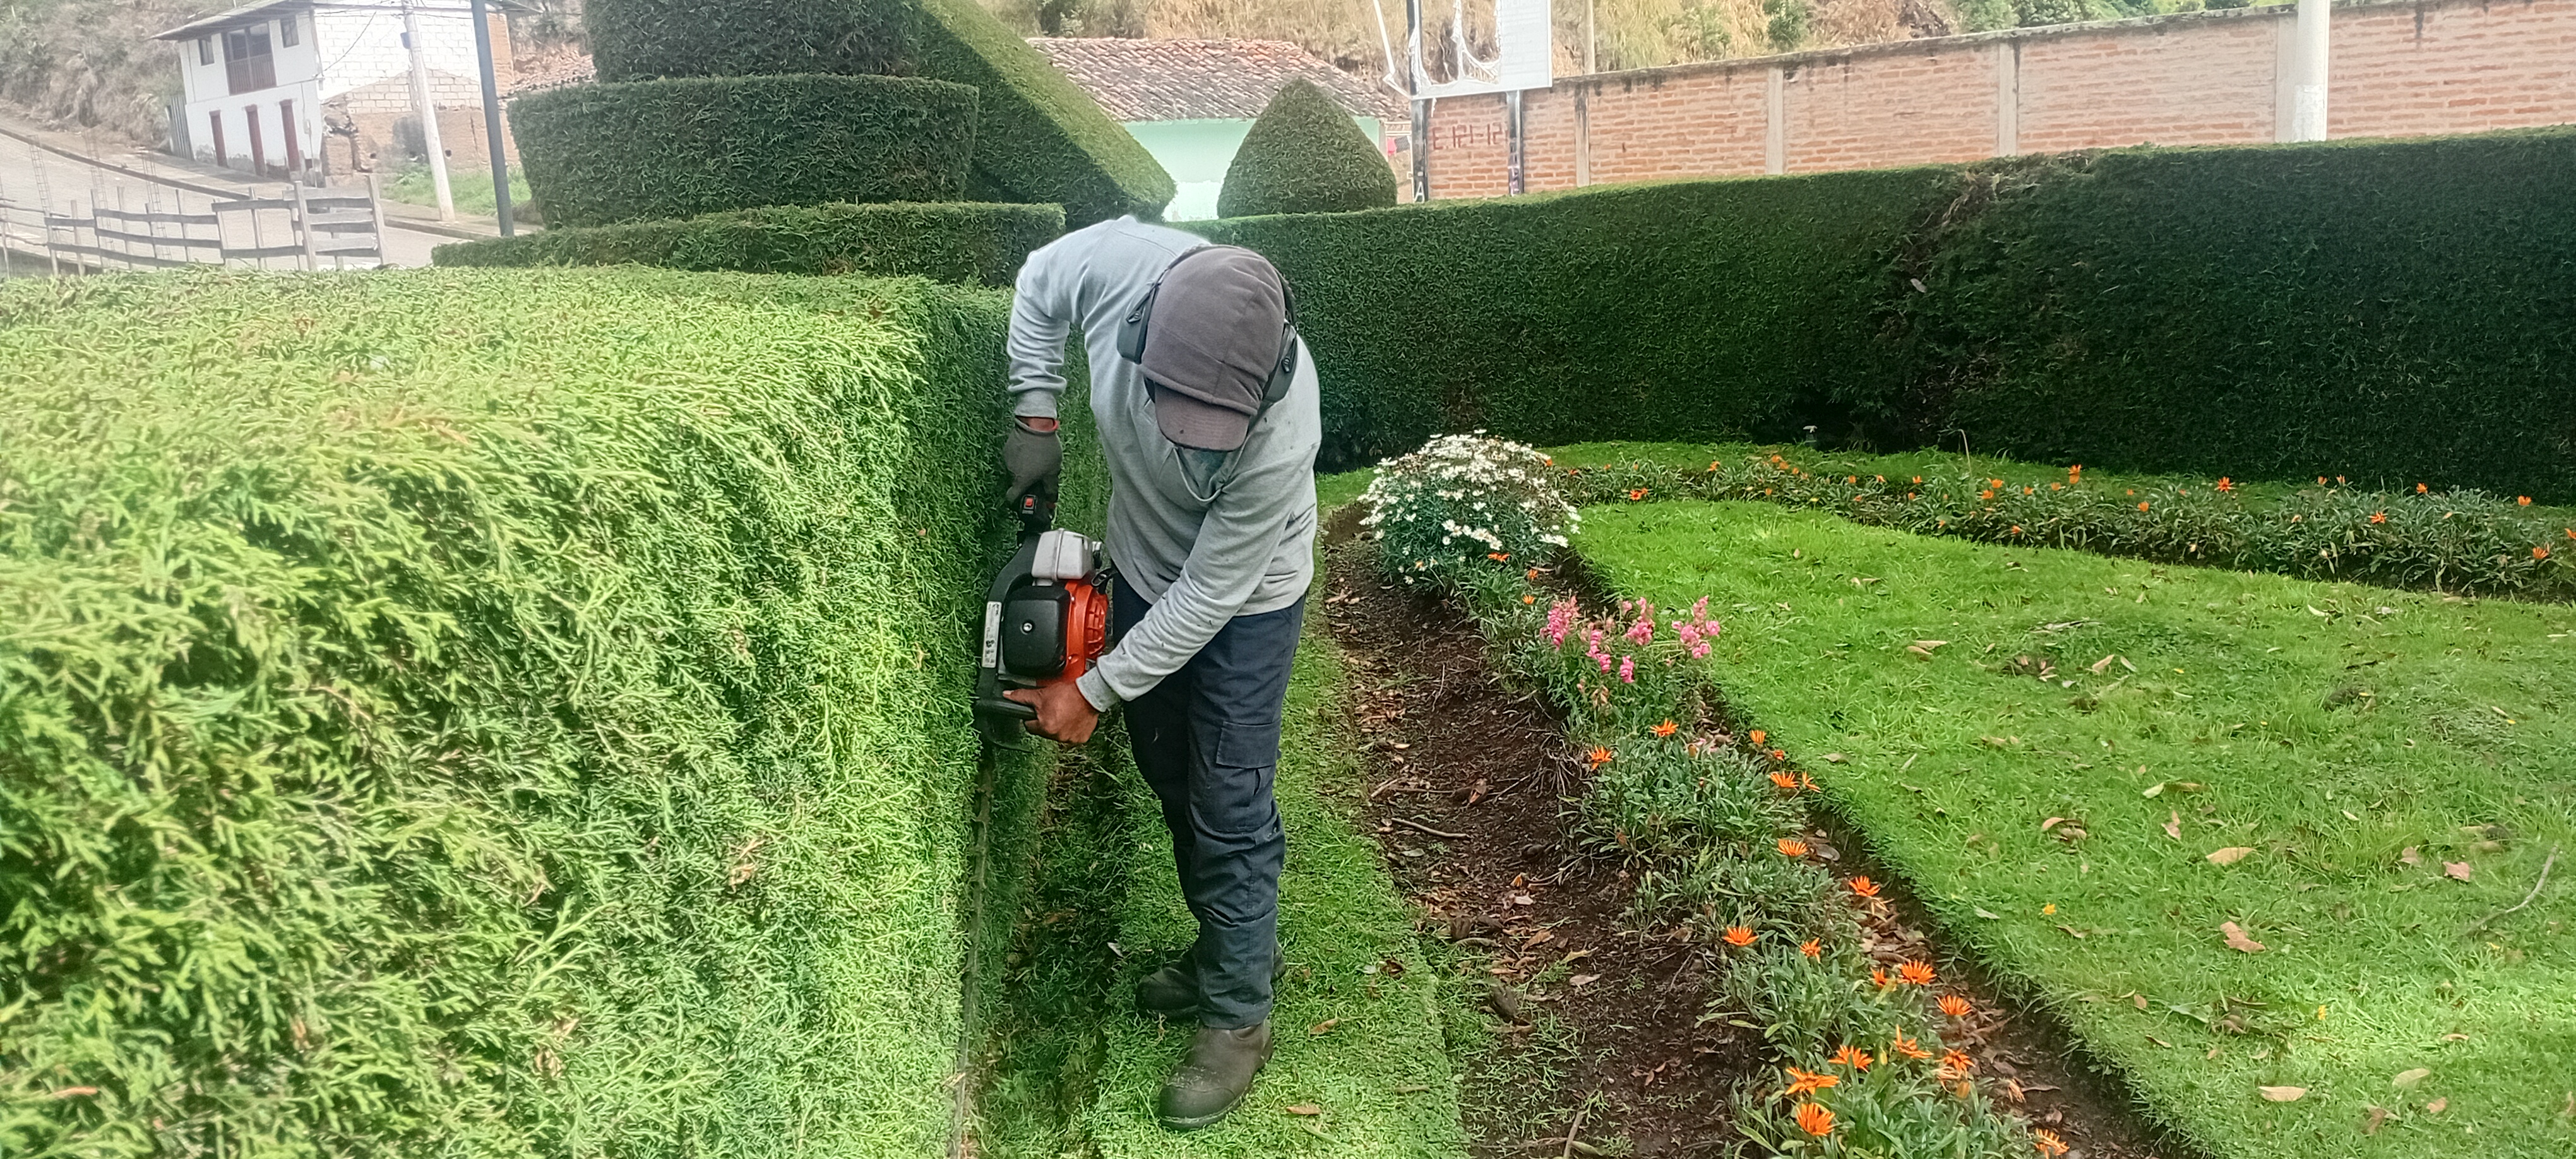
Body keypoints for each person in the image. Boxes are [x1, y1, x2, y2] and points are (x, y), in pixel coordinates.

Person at [998, 216, 1320, 1131]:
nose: (1194, 447)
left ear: (1268, 382)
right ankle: (1234, 948)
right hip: (1145, 567)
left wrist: (1092, 689)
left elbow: (1212, 595)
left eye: (1218, 430)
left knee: (1228, 796)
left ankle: (1239, 1016)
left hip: (1247, 600)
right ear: (1139, 332)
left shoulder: (1286, 429)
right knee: (1171, 772)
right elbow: (1036, 286)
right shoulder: (1110, 267)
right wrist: (1036, 412)